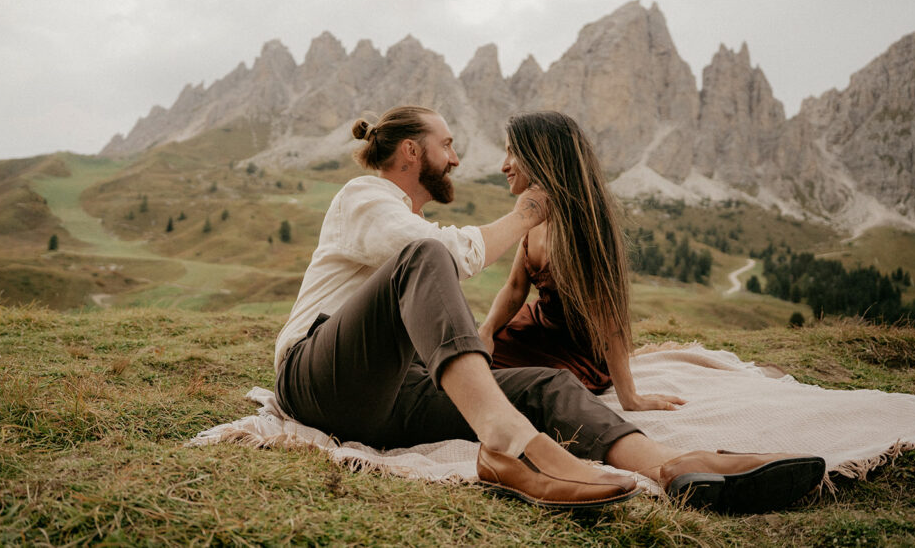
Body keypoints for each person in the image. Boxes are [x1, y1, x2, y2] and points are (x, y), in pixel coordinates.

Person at [274, 105, 825, 513]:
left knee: (548, 385)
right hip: (316, 379)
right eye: (447, 144)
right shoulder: (362, 197)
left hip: (392, 398)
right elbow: (442, 254)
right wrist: (525, 214)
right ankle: (509, 444)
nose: (459, 158)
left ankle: (670, 464)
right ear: (414, 152)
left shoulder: (413, 227)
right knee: (425, 255)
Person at [480, 110, 684, 411]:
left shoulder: (582, 227)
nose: (504, 165)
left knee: (482, 376)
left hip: (576, 353)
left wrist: (630, 398)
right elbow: (514, 288)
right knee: (465, 353)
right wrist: (485, 331)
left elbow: (610, 319)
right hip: (535, 327)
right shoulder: (532, 207)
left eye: (513, 152)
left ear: (539, 155)